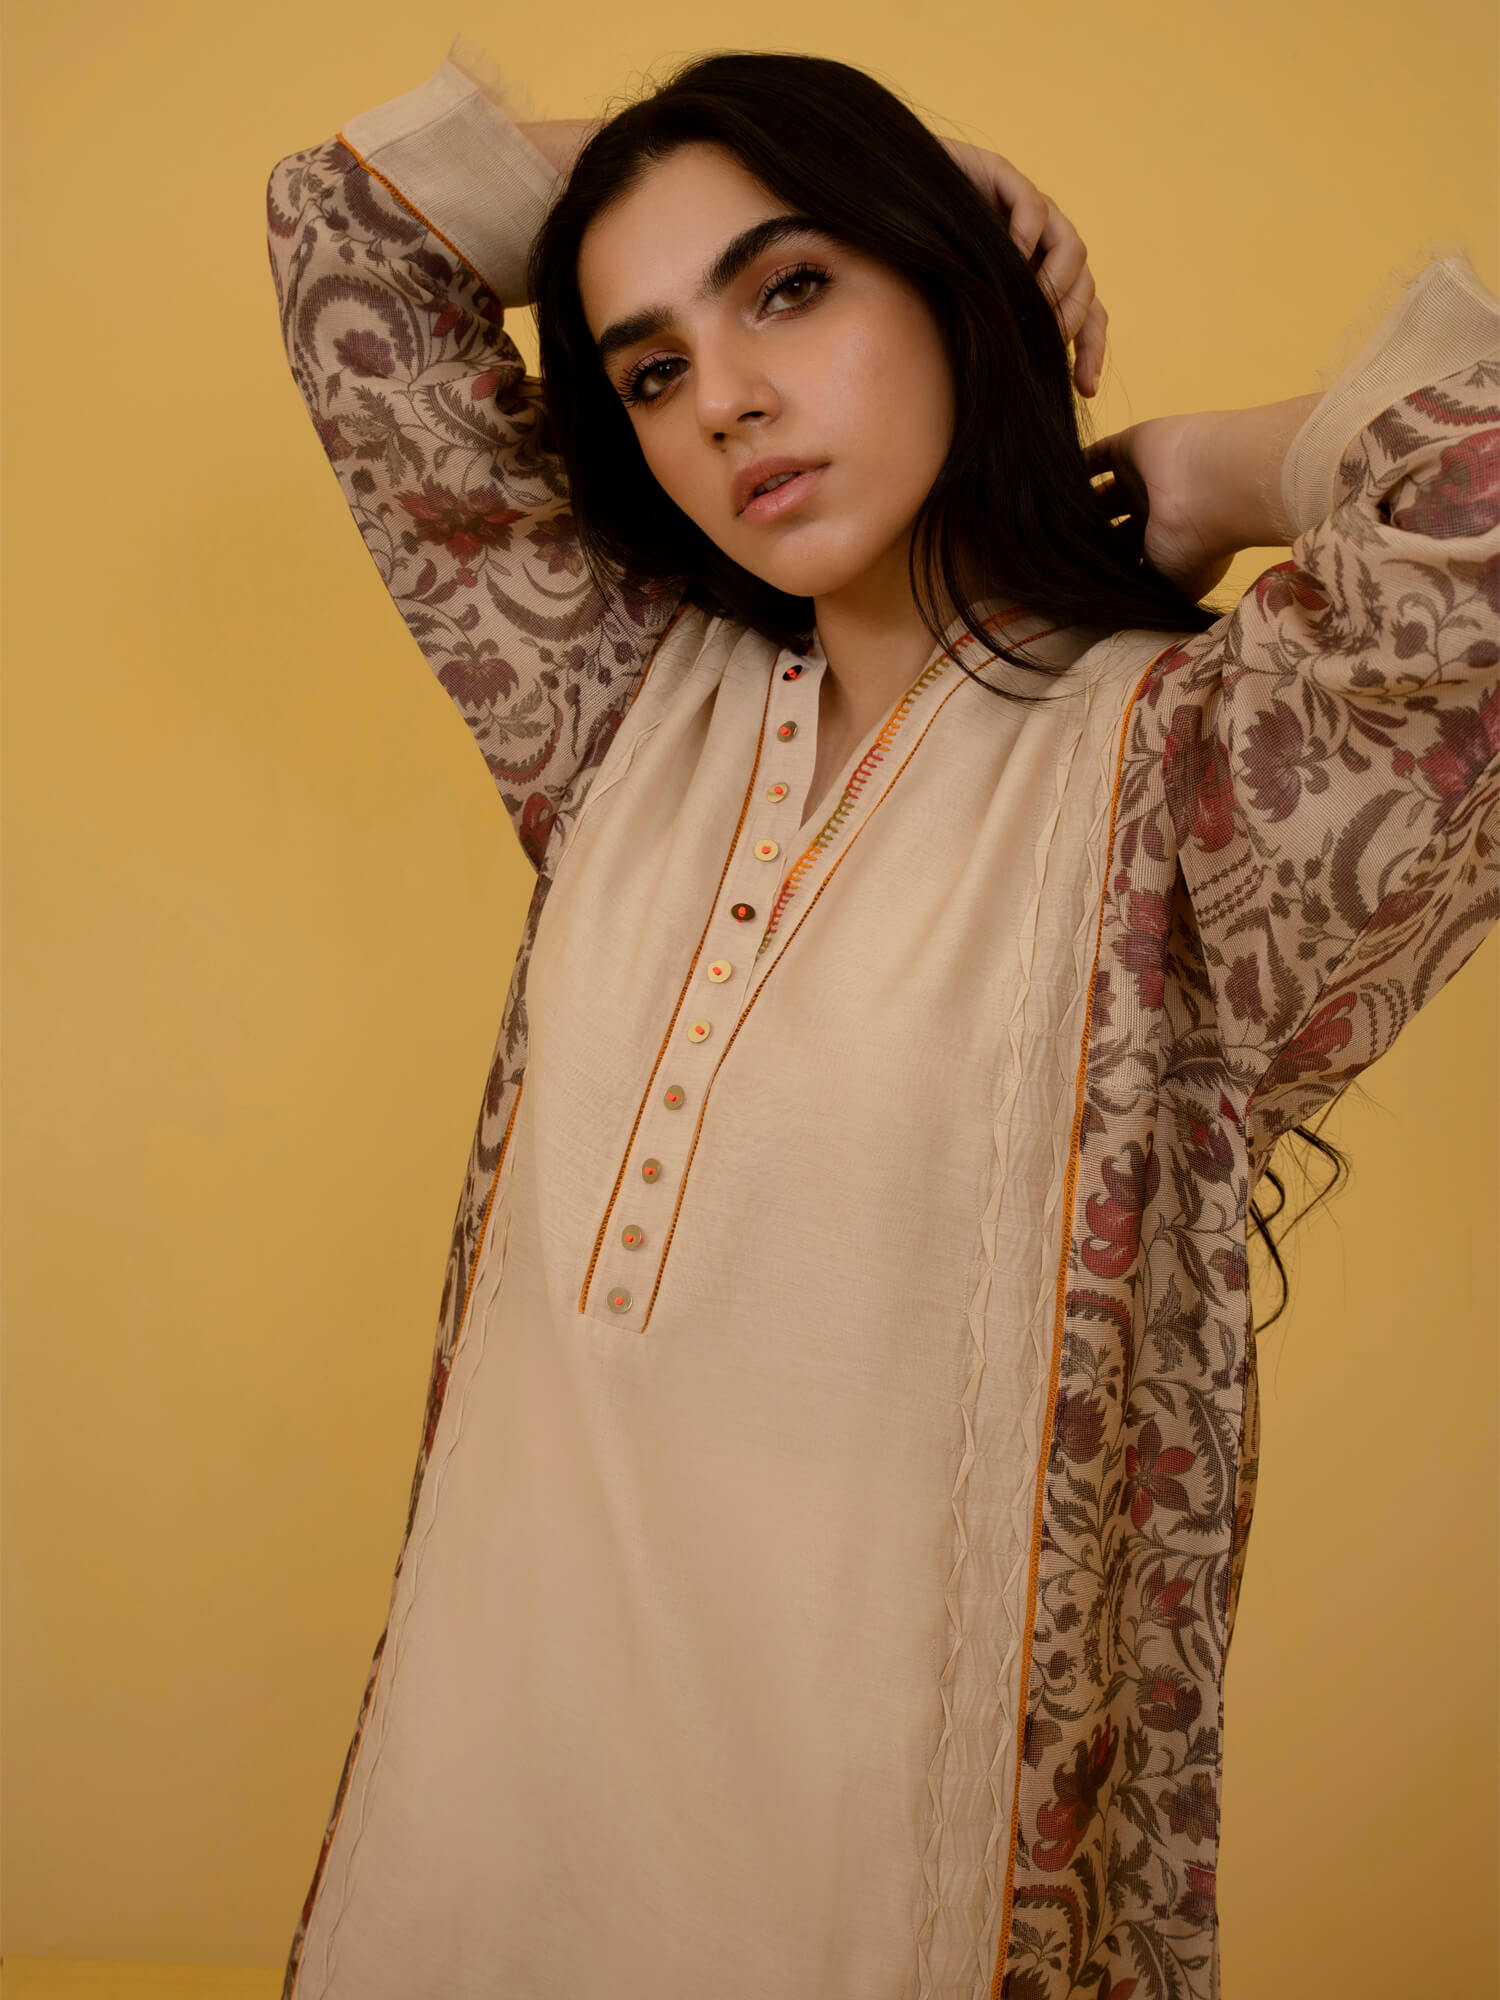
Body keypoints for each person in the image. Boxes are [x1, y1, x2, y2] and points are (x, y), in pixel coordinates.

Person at [264, 32, 1499, 2000]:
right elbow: (345, 231)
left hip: (889, 1885)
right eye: (650, 368)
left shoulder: (1186, 798)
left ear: (948, 283)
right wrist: (861, 166)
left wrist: (1222, 464)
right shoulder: (610, 708)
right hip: (486, 1834)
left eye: (791, 286)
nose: (725, 399)